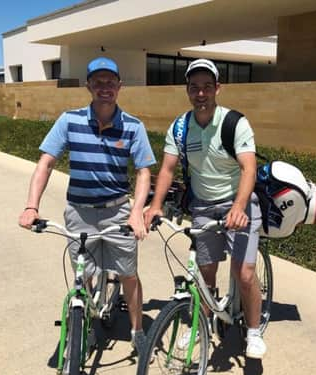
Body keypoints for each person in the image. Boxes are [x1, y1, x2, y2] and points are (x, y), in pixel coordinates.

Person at [19, 56, 156, 357]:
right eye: (98, 82)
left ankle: (137, 331)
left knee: (128, 274)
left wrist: (137, 213)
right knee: (84, 275)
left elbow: (144, 171)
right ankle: (88, 325)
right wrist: (31, 206)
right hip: (79, 212)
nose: (104, 87)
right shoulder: (69, 120)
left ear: (119, 87)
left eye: (110, 82)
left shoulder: (133, 126)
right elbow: (46, 163)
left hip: (118, 210)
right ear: (88, 86)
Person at [144, 58, 266, 359]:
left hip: (239, 203)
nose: (201, 94)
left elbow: (249, 168)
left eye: (207, 87)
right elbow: (169, 169)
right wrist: (155, 206)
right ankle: (201, 324)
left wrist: (238, 207)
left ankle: (253, 332)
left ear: (217, 89)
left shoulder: (234, 123)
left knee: (244, 272)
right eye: (195, 88)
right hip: (203, 207)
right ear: (188, 90)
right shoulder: (181, 127)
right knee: (203, 274)